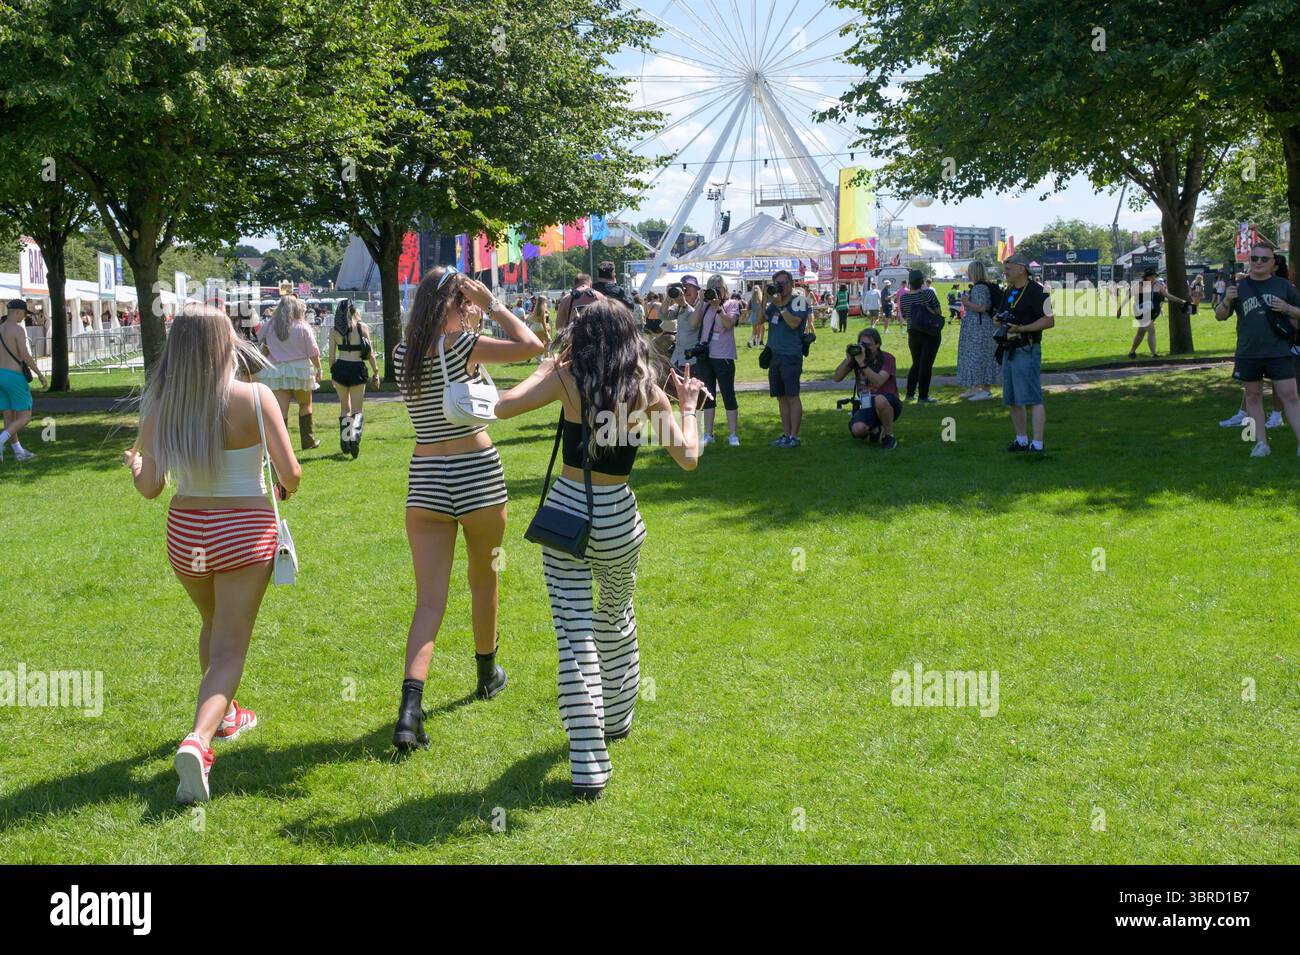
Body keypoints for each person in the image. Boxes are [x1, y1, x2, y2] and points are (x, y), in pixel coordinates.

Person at [495, 294, 703, 798]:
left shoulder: (567, 379)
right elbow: (689, 457)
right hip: (619, 518)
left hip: (568, 511)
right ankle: (618, 714)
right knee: (616, 616)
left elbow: (503, 407)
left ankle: (588, 762)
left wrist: (546, 364)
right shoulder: (647, 389)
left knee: (574, 637)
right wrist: (688, 405)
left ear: (584, 338)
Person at [123, 305, 302, 803]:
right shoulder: (256, 397)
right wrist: (283, 489)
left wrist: (134, 464)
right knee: (228, 648)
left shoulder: (162, 405)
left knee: (213, 625)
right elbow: (291, 475)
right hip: (244, 531)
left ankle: (224, 716)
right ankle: (198, 743)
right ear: (226, 345)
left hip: (187, 533)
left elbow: (150, 488)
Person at [389, 266, 544, 751]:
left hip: (427, 478)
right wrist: (494, 305)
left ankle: (409, 711)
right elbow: (532, 346)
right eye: (466, 302)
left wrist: (472, 310)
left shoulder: (401, 354)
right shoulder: (462, 346)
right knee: (486, 577)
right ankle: (486, 671)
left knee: (428, 601)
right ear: (454, 303)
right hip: (476, 471)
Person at [1213, 243, 1300, 457]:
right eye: (1254, 258)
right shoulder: (1239, 287)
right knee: (1253, 396)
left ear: (1273, 263)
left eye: (1264, 259)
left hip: (1278, 350)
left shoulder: (1284, 286)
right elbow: (1219, 315)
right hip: (1248, 351)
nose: (1258, 262)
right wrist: (1226, 299)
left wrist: (1287, 308)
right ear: (1249, 260)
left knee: (1290, 396)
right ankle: (1261, 443)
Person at [998, 253, 1054, 454]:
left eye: (1008, 268)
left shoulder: (1039, 292)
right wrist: (1000, 320)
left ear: (1022, 268)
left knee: (1032, 397)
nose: (1005, 272)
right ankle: (1021, 440)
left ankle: (1037, 444)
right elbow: (1003, 312)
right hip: (1009, 348)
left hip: (1027, 348)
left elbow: (1049, 321)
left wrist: (1022, 329)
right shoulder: (1010, 291)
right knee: (1012, 398)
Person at [257, 295, 324, 450]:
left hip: (276, 371)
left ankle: (282, 445)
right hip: (300, 370)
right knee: (305, 404)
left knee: (281, 410)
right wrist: (319, 368)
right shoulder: (302, 326)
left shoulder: (270, 326)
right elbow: (313, 352)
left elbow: (261, 344)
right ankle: (308, 440)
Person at [691, 273, 741, 446]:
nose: (715, 292)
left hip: (724, 356)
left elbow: (728, 324)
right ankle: (708, 434)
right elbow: (694, 324)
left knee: (728, 394)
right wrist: (701, 302)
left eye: (718, 289)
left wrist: (718, 307)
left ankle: (733, 434)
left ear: (724, 289)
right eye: (712, 289)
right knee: (707, 396)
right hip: (706, 356)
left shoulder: (731, 304)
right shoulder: (704, 306)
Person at [328, 299, 380, 458]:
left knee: (345, 409)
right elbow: (370, 353)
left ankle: (345, 442)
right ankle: (355, 438)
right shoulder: (362, 327)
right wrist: (376, 372)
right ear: (354, 310)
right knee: (357, 410)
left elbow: (331, 357)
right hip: (357, 367)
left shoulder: (334, 331)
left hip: (341, 368)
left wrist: (333, 374)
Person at [834, 326, 900, 450]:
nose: (865, 348)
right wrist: (848, 359)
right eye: (861, 344)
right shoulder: (857, 358)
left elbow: (878, 381)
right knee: (857, 430)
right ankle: (874, 429)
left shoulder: (887, 358)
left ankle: (889, 436)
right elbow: (837, 378)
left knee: (879, 400)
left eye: (868, 345)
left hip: (889, 402)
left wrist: (862, 364)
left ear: (877, 344)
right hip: (867, 404)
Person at [765, 269, 809, 447]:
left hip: (790, 355)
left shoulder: (799, 300)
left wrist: (781, 306)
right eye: (777, 284)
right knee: (781, 397)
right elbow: (757, 320)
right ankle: (786, 434)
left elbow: (794, 324)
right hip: (774, 355)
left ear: (791, 284)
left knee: (792, 395)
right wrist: (763, 299)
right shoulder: (775, 303)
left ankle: (794, 436)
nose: (780, 287)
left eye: (783, 283)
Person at [1, 299, 49, 462]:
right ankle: (1, 441)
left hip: (0, 375)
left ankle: (18, 451)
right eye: (23, 314)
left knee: (9, 415)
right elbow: (25, 355)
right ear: (17, 312)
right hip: (14, 376)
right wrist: (39, 374)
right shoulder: (17, 329)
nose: (24, 317)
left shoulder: (0, 328)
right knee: (25, 415)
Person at [1117, 267, 1184, 359]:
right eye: (1151, 277)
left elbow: (1168, 296)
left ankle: (1132, 352)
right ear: (1145, 278)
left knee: (1141, 333)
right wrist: (1120, 309)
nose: (1153, 279)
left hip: (1152, 313)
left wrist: (1181, 301)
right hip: (1141, 312)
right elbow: (1127, 298)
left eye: (1154, 277)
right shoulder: (1138, 286)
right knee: (1151, 331)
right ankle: (1154, 354)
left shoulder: (1158, 285)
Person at [956, 262, 998, 401]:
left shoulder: (979, 288)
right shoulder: (982, 286)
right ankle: (976, 387)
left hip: (980, 328)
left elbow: (982, 307)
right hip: (978, 327)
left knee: (981, 356)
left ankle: (985, 389)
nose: (967, 273)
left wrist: (966, 302)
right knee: (976, 357)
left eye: (969, 271)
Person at [900, 269, 944, 403]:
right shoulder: (929, 293)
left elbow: (905, 314)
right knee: (926, 365)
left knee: (916, 363)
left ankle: (909, 393)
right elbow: (938, 311)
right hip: (930, 332)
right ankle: (923, 396)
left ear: (909, 282)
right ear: (922, 282)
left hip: (913, 332)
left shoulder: (904, 297)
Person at [666, 275, 702, 380]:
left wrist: (684, 305)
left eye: (691, 286)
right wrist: (668, 297)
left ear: (697, 290)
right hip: (679, 356)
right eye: (684, 287)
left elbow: (693, 325)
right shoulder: (678, 306)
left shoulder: (701, 305)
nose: (687, 290)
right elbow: (663, 316)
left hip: (693, 358)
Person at [747, 283, 765, 347]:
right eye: (755, 289)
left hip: (755, 316)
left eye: (756, 288)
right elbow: (748, 309)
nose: (755, 290)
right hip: (757, 316)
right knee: (758, 330)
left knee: (756, 330)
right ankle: (754, 342)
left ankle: (752, 341)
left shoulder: (752, 299)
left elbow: (748, 309)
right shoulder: (760, 299)